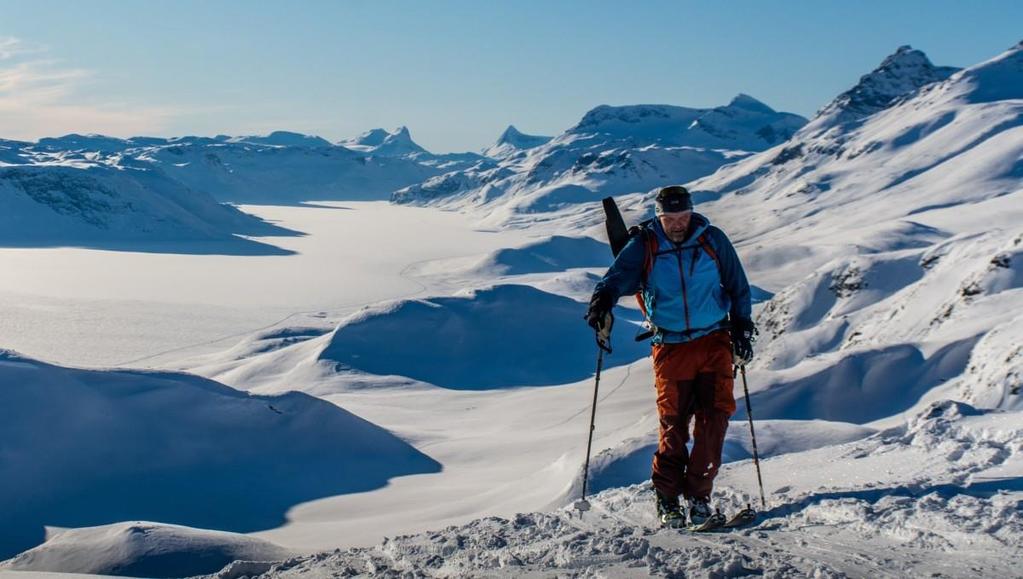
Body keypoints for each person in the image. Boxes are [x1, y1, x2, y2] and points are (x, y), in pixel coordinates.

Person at [585, 185, 755, 528]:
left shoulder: (712, 239)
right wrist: (601, 303)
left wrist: (743, 327)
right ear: (658, 217)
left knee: (715, 420)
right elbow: (615, 278)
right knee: (674, 426)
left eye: (684, 217)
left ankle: (699, 496)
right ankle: (667, 497)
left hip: (714, 341)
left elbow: (737, 284)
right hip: (671, 346)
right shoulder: (644, 244)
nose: (679, 225)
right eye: (670, 219)